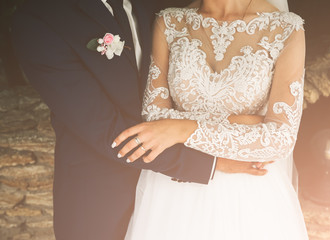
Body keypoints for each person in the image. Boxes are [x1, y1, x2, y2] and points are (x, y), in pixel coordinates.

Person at [12, 0, 257, 239]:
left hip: (179, 199)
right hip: (101, 199)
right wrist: (209, 163)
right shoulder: (40, 17)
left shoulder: (169, 6)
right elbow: (103, 127)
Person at [113, 0, 309, 239]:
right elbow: (155, 119)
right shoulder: (170, 22)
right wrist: (252, 122)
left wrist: (181, 129)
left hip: (249, 193)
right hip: (174, 190)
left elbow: (280, 138)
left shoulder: (286, 28)